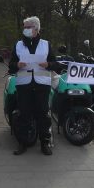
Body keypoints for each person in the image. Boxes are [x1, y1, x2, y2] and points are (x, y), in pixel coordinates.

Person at [8, 16, 61, 156]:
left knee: (43, 115)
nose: (25, 29)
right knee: (23, 115)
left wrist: (48, 65)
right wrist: (16, 65)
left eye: (28, 27)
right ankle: (22, 143)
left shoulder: (46, 44)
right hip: (23, 85)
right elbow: (11, 66)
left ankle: (45, 143)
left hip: (42, 85)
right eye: (24, 27)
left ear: (36, 29)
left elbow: (56, 64)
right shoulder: (18, 45)